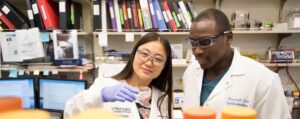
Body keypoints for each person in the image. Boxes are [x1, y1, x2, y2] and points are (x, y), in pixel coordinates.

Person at [182, 8, 291, 119]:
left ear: (228, 38)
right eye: (193, 42)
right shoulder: (190, 72)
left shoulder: (264, 80)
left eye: (205, 42)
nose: (197, 51)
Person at [64, 32, 173, 119]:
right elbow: (71, 111)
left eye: (158, 59)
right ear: (134, 54)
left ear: (164, 65)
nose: (149, 63)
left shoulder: (163, 99)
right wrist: (100, 96)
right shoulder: (105, 86)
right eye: (144, 54)